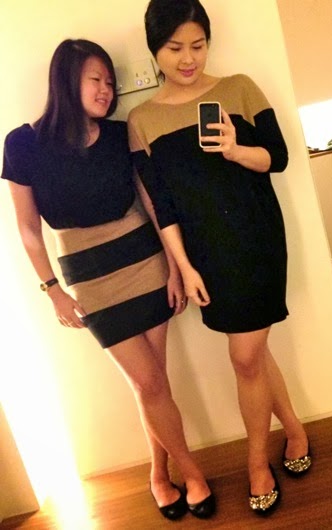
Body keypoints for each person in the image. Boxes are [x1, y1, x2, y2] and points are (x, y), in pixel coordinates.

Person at [1, 38, 215, 521]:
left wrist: (175, 267)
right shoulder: (23, 144)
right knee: (150, 382)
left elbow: (153, 202)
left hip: (146, 263)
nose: (106, 90)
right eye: (95, 79)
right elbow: (27, 228)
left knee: (152, 385)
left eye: (110, 82)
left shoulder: (121, 133)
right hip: (90, 279)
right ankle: (192, 473)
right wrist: (52, 290)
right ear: (66, 80)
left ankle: (160, 475)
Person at [128, 0, 312, 516]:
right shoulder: (142, 120)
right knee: (252, 352)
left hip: (256, 240)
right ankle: (294, 429)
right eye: (174, 48)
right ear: (155, 50)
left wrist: (235, 149)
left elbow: (278, 157)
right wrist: (183, 267)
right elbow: (162, 205)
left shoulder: (239, 88)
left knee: (245, 357)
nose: (188, 58)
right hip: (206, 256)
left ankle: (257, 463)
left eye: (198, 45)